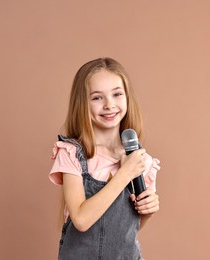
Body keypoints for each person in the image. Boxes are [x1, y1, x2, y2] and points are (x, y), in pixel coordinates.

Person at [49, 57, 160, 259]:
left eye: (117, 94)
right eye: (97, 97)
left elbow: (127, 231)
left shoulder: (142, 161)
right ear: (82, 103)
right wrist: (125, 173)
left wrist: (147, 211)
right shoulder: (71, 154)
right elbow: (81, 220)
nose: (109, 105)